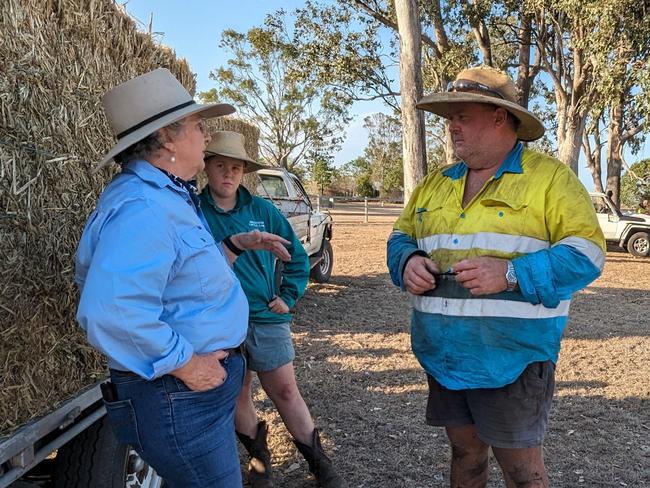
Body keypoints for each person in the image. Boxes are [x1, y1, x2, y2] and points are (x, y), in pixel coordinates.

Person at [387, 66, 606, 488]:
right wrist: (407, 260)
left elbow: (588, 255)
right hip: (444, 354)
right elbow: (401, 235)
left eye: (462, 115)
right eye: (449, 118)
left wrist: (509, 272)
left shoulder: (550, 180)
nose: (451, 126)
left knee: (522, 473)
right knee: (464, 454)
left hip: (512, 359)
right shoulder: (435, 184)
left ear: (500, 117)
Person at [75, 68, 292, 488]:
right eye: (198, 126)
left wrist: (234, 246)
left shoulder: (163, 196)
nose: (206, 136)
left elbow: (181, 279)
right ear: (168, 138)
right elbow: (112, 310)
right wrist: (188, 365)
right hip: (178, 398)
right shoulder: (144, 207)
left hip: (186, 397)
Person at [200, 131, 345, 488]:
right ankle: (259, 460)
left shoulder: (262, 211)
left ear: (244, 171)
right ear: (206, 168)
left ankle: (321, 465)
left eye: (235, 167)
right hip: (219, 323)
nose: (228, 174)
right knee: (237, 392)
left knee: (284, 391)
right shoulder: (194, 212)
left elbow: (298, 257)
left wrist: (289, 296)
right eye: (220, 166)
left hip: (265, 318)